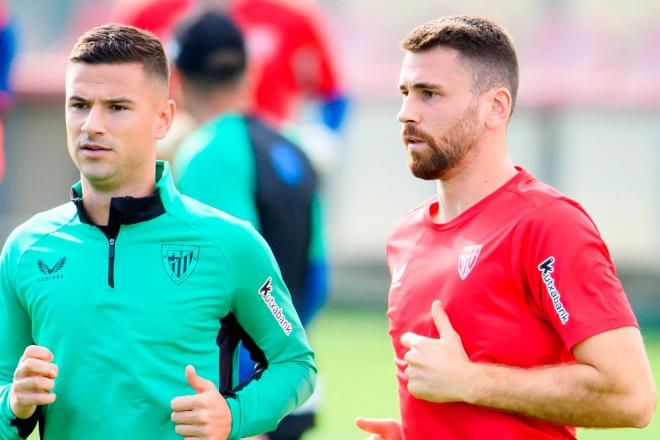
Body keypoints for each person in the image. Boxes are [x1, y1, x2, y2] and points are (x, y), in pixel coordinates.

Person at [0, 24, 316, 440]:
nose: (91, 124)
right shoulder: (26, 249)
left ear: (163, 119)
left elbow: (295, 364)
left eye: (117, 107)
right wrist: (13, 403)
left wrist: (234, 416)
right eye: (79, 104)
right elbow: (5, 391)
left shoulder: (229, 244)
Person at [356, 16, 656, 440]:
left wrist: (470, 381)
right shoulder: (405, 238)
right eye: (405, 93)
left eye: (430, 94)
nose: (406, 114)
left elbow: (631, 396)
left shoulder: (547, 224)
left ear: (495, 107)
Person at [171, 12, 327, 440]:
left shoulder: (206, 153)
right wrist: (286, 358)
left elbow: (231, 285)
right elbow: (317, 278)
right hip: (289, 389)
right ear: (250, 71)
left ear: (177, 78)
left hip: (234, 406)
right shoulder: (293, 145)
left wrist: (243, 397)